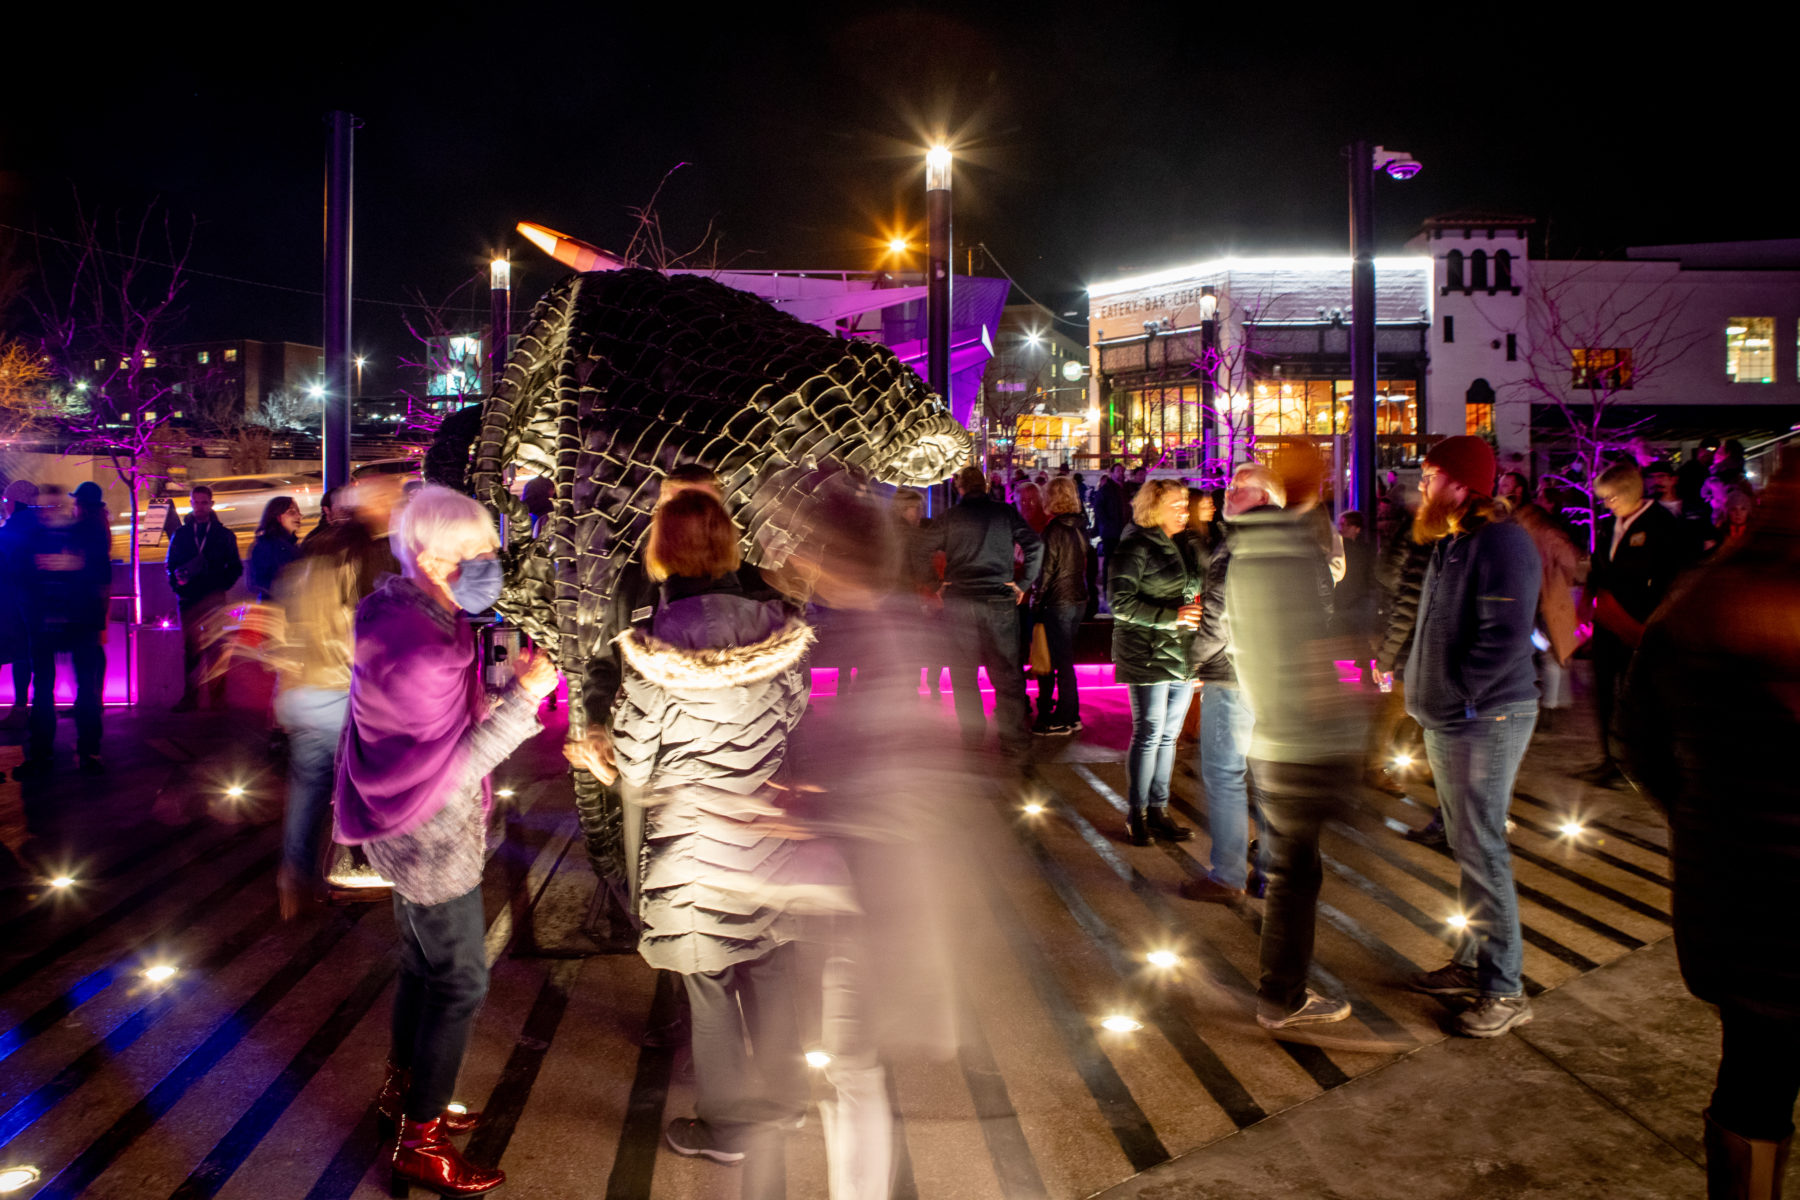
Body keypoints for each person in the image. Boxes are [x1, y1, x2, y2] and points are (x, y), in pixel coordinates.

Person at [334, 485, 560, 1199]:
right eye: (479, 555)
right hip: (430, 833)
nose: (492, 565)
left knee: (421, 963)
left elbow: (466, 679)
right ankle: (420, 1140)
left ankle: (407, 1093)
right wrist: (529, 697)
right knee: (461, 977)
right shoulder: (422, 651)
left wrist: (497, 659)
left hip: (402, 828)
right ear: (431, 557)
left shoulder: (399, 606)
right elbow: (452, 765)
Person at [607, 489, 818, 1188]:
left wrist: (603, 759)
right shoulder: (778, 633)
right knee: (771, 964)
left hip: (694, 841)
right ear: (730, 546)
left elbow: (635, 765)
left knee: (709, 980)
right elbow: (791, 720)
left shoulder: (655, 648)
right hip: (762, 823)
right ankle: (787, 1101)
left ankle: (727, 1127)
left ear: (662, 552)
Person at [1623, 450, 1800, 1200]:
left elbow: (1641, 748)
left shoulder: (1698, 604)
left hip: (1738, 902)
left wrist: (1709, 817)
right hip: (1751, 889)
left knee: (1753, 1076)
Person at [1405, 436, 1542, 1039]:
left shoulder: (1502, 542)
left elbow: (1506, 633)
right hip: (1452, 715)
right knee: (1467, 843)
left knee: (1482, 846)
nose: (1420, 486)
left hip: (1485, 716)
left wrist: (1461, 693)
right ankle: (1472, 963)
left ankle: (1506, 990)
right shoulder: (1454, 543)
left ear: (1463, 483)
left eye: (1431, 475)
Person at [1223, 444, 1362, 1030]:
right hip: (1298, 740)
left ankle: (1280, 992)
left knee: (1287, 868)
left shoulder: (1244, 555)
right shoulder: (1288, 554)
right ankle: (1282, 995)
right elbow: (1313, 646)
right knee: (1296, 873)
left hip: (1268, 734)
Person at [274, 494, 396, 918]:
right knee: (364, 784)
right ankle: (360, 867)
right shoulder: (352, 571)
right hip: (343, 694)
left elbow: (284, 634)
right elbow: (354, 639)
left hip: (303, 694)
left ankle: (294, 876)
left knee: (307, 792)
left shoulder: (300, 570)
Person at [1181, 462, 1283, 903]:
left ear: (1265, 498)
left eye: (1242, 486)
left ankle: (1226, 875)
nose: (1230, 490)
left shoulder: (1240, 544)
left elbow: (1220, 616)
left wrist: (1190, 662)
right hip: (1274, 673)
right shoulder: (1293, 541)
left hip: (1233, 673)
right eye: (1232, 482)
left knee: (1224, 774)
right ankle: (1269, 869)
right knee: (1266, 776)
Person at [918, 466, 1043, 763]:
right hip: (999, 599)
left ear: (959, 488)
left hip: (960, 600)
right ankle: (1012, 739)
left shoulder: (950, 518)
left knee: (964, 675)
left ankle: (972, 738)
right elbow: (1035, 545)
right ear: (985, 486)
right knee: (1007, 674)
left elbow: (921, 548)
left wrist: (937, 585)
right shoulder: (1004, 513)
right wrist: (1023, 584)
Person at [1108, 477, 1201, 846]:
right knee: (1149, 733)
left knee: (1168, 735)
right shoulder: (1136, 545)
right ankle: (1138, 813)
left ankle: (1158, 809)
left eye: (1186, 505)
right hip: (1146, 651)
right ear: (1155, 508)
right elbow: (1120, 602)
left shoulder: (1178, 543)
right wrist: (1171, 616)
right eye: (1177, 505)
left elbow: (1189, 592)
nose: (1185, 511)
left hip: (1178, 650)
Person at [1582, 461, 1685, 787]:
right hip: (1606, 626)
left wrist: (1648, 621)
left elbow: (1672, 579)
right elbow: (1598, 569)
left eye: (1610, 497)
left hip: (1638, 627)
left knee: (1638, 698)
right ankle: (1609, 759)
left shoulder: (1661, 524)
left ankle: (1640, 760)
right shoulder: (1605, 525)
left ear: (1629, 493)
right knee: (1604, 694)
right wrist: (1586, 603)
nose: (1606, 504)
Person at [15, 482, 112, 779]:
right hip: (59, 623)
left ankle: (68, 753)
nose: (48, 511)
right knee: (55, 689)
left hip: (67, 623)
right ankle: (76, 753)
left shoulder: (51, 535)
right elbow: (21, 575)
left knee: (56, 688)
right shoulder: (78, 533)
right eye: (44, 506)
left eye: (51, 505)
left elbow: (100, 573)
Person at [1508, 490, 1583, 732]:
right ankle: (1549, 704)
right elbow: (1571, 561)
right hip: (1542, 601)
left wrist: (1555, 576)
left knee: (1545, 652)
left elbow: (1568, 560)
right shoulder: (1545, 534)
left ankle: (1546, 705)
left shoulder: (1532, 535)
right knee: (1548, 654)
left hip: (1539, 601)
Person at [167, 483, 243, 712]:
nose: (199, 507)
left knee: (217, 649)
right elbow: (170, 566)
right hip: (190, 599)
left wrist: (220, 585)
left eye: (203, 502)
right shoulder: (181, 535)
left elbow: (236, 567)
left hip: (213, 598)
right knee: (191, 650)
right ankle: (191, 697)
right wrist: (178, 585)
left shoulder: (223, 535)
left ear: (211, 504)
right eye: (195, 502)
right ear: (190, 503)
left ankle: (217, 698)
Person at [1032, 477, 1087, 734]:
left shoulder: (1053, 530)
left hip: (1058, 601)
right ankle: (1071, 714)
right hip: (1077, 599)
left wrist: (1037, 599)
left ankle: (1066, 715)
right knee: (1066, 660)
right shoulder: (1079, 527)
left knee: (1062, 662)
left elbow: (1047, 571)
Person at [0, 480, 40, 730]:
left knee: (14, 655)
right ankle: (24, 707)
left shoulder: (8, 534)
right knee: (27, 658)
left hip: (8, 607)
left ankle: (18, 711)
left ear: (14, 502)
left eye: (5, 501)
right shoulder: (43, 532)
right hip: (35, 606)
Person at [246, 496, 302, 602]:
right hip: (276, 609)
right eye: (291, 512)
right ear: (277, 517)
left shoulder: (291, 545)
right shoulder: (266, 546)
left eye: (298, 512)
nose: (298, 516)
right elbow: (257, 582)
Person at [1092, 463, 1128, 577]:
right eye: (1118, 471)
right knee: (1111, 561)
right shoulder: (1106, 490)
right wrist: (1108, 524)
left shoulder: (1124, 490)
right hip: (1111, 532)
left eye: (1122, 471)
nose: (1121, 473)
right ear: (1111, 473)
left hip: (1122, 530)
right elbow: (1099, 509)